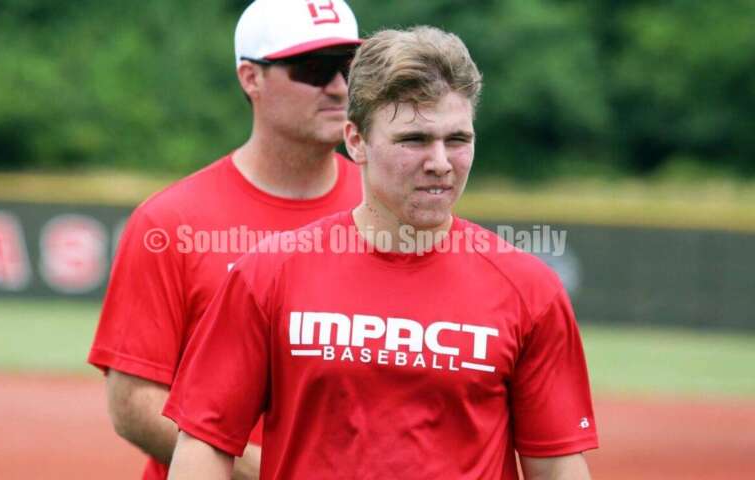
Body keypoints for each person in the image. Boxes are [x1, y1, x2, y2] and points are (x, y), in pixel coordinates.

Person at [164, 26, 599, 480]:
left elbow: (558, 466)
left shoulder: (529, 289)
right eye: (413, 140)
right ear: (355, 141)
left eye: (457, 139)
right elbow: (205, 443)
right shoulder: (270, 274)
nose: (440, 162)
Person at [87, 1, 363, 479]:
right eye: (314, 69)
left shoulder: (387, 209)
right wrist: (275, 470)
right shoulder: (169, 222)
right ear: (250, 78)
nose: (338, 88)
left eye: (348, 67)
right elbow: (133, 404)